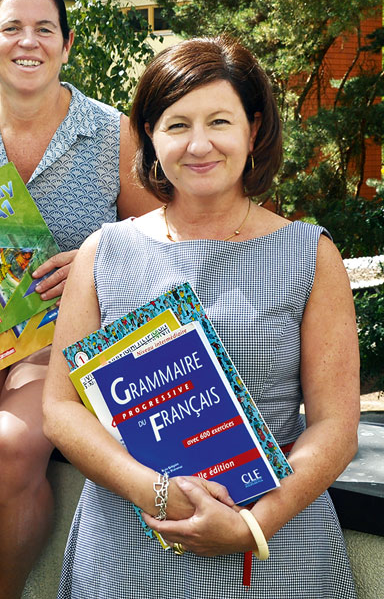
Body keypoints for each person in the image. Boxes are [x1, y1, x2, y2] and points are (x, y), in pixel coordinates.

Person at [43, 36, 360, 598]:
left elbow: (336, 426)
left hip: (274, 547)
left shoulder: (310, 253)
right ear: (149, 134)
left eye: (219, 121)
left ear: (253, 129)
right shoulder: (103, 251)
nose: (199, 145)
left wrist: (252, 524)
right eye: (176, 124)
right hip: (129, 543)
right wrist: (155, 492)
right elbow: (61, 409)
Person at [0, 0, 160, 599]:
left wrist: (93, 261)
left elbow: (158, 241)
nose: (29, 42)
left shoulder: (114, 135)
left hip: (63, 345)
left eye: (44, 29)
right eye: (11, 28)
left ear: (67, 44)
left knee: (12, 446)